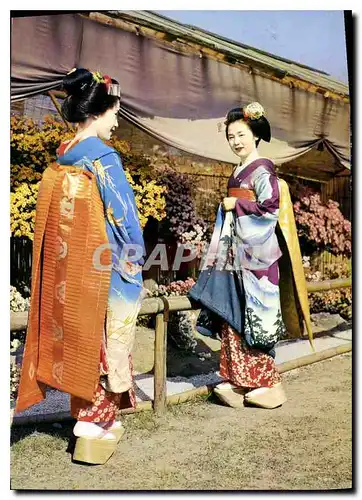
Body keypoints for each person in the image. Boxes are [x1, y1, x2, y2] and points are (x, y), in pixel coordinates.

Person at [15, 68, 145, 464]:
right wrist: (134, 262)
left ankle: (87, 420)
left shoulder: (62, 159)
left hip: (71, 270)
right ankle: (94, 426)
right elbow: (124, 218)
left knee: (82, 343)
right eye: (115, 112)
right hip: (104, 267)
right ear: (98, 111)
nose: (118, 120)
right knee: (105, 343)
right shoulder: (104, 158)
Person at [189, 102, 313, 410]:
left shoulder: (262, 169)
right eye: (231, 136)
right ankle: (238, 381)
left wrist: (238, 206)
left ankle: (268, 384)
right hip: (237, 255)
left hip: (257, 258)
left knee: (255, 319)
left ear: (255, 135)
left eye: (241, 134)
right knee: (234, 316)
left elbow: (271, 209)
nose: (236, 141)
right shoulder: (238, 171)